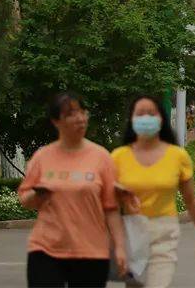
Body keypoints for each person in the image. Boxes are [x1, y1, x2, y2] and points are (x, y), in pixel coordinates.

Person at [17, 92, 126, 287]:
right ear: (56, 121)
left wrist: (119, 247)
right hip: (46, 248)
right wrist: (38, 193)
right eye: (71, 114)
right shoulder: (43, 157)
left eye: (83, 112)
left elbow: (111, 209)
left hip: (91, 251)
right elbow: (25, 199)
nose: (80, 118)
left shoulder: (101, 157)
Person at [112, 95, 195, 287]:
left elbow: (190, 200)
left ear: (162, 119)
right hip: (130, 232)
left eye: (151, 113)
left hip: (164, 231)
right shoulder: (118, 157)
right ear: (131, 119)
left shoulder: (177, 155)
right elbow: (109, 204)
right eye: (140, 114)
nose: (146, 118)